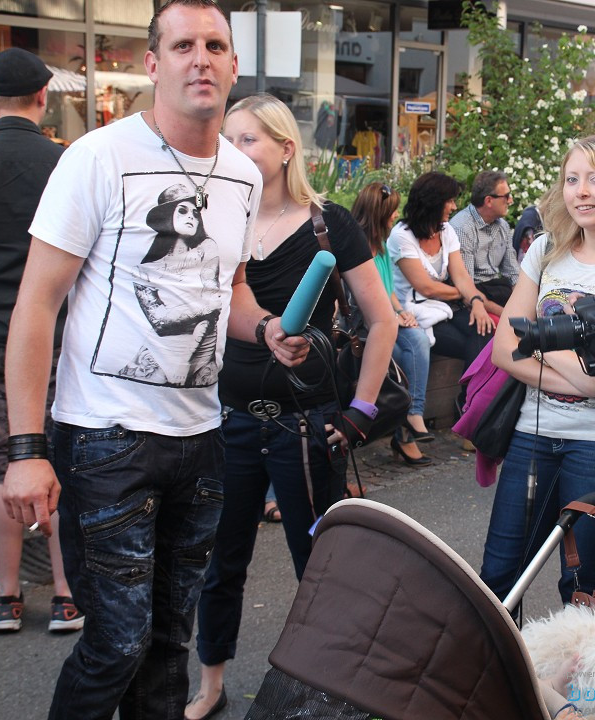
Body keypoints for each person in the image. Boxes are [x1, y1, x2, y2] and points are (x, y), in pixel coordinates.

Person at [1, 3, 310, 717]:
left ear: (234, 65)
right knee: (117, 642)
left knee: (170, 641)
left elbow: (226, 288)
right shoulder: (97, 158)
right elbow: (36, 306)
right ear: (152, 64)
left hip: (200, 440)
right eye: (181, 46)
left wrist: (265, 329)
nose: (199, 58)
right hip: (105, 439)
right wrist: (25, 449)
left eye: (214, 45)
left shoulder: (241, 174)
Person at [187, 93, 395, 720]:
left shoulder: (328, 223)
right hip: (227, 416)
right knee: (221, 562)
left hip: (307, 425)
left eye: (249, 139)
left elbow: (383, 320)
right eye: (229, 140)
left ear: (284, 149)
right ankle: (211, 681)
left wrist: (361, 410)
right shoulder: (216, 216)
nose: (235, 151)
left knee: (320, 566)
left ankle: (329, 686)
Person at [480, 134, 595, 605]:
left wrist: (539, 343)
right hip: (533, 435)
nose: (581, 191)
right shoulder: (545, 250)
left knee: (583, 586)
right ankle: (505, 679)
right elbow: (504, 349)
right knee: (499, 577)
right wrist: (586, 374)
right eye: (572, 179)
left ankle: (581, 680)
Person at [0, 47, 81, 632]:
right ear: (43, 96)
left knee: (3, 467)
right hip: (58, 336)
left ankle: (6, 596)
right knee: (61, 460)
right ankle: (65, 593)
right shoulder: (65, 162)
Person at [387, 172, 494, 389]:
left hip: (444, 306)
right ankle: (467, 403)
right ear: (433, 203)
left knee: (485, 331)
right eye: (450, 201)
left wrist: (475, 302)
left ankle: (469, 404)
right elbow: (425, 287)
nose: (454, 207)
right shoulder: (402, 236)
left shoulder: (446, 231)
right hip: (414, 313)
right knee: (474, 344)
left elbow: (461, 275)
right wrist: (466, 294)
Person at [352, 180, 434, 464]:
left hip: (388, 318)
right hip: (367, 326)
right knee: (402, 360)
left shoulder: (382, 246)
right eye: (392, 212)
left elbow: (388, 291)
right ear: (378, 215)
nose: (396, 216)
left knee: (419, 338)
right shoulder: (356, 248)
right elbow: (361, 303)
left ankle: (414, 414)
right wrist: (391, 316)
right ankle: (404, 435)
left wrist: (401, 311)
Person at [449, 170, 518, 314]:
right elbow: (466, 288)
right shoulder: (462, 228)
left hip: (497, 292)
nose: (510, 200)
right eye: (506, 196)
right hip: (474, 299)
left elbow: (512, 274)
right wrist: (506, 314)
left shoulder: (502, 226)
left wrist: (522, 306)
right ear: (488, 201)